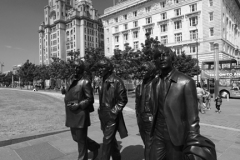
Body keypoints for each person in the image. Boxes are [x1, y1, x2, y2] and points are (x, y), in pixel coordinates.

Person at [149, 46, 216, 160]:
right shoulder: (155, 82)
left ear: (172, 58)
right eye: (157, 57)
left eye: (165, 55)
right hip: (157, 134)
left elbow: (192, 117)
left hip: (176, 136)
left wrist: (193, 140)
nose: (161, 58)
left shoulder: (186, 82)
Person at [61, 60, 100, 160]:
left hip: (80, 114)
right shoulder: (71, 80)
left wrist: (79, 105)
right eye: (73, 67)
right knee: (76, 138)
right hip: (71, 114)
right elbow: (70, 93)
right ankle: (94, 146)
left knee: (81, 141)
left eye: (77, 67)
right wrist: (64, 91)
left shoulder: (85, 82)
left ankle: (82, 158)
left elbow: (90, 99)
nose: (74, 69)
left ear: (82, 70)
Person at [93, 58, 128, 160]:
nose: (99, 70)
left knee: (106, 141)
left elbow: (123, 100)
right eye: (98, 68)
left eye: (101, 67)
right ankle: (117, 157)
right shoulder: (102, 80)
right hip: (103, 114)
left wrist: (113, 112)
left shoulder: (117, 81)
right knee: (111, 141)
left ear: (108, 68)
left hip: (111, 115)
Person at [135, 62, 156, 160]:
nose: (142, 72)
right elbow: (137, 104)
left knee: (148, 144)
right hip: (141, 119)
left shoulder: (156, 85)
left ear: (151, 72)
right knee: (147, 143)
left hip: (151, 119)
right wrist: (138, 116)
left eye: (145, 70)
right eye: (141, 70)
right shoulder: (139, 87)